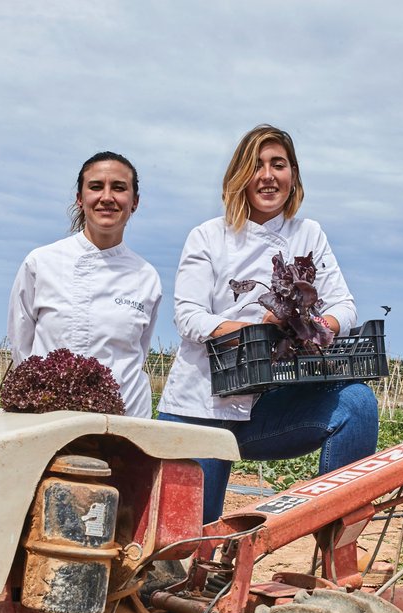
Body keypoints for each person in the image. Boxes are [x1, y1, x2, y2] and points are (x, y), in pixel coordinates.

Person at [156, 124, 379, 523]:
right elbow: (189, 317)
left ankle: (333, 540)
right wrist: (261, 329)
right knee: (189, 546)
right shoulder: (209, 236)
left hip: (267, 409)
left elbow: (345, 306)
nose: (268, 175)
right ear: (240, 174)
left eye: (279, 164)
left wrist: (312, 325)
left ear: (292, 175)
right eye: (257, 165)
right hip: (202, 407)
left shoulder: (309, 234)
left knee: (357, 403)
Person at [8, 152, 160, 418]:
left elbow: (139, 352)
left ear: (134, 202)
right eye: (96, 186)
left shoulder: (146, 277)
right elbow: (22, 348)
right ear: (80, 199)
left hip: (126, 421)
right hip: (49, 420)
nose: (107, 197)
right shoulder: (41, 263)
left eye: (119, 188)